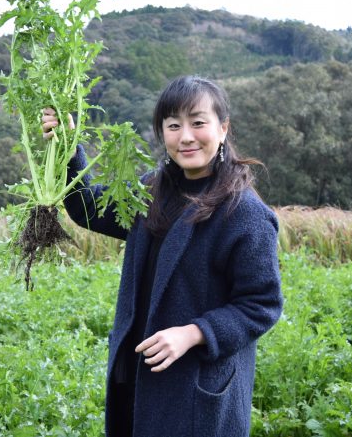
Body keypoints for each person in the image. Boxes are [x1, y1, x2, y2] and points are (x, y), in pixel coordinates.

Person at [41, 75, 283, 437]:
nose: (185, 136)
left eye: (198, 123)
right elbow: (86, 207)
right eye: (173, 125)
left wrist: (194, 333)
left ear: (223, 128)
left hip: (193, 386)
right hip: (137, 376)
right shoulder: (150, 191)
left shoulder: (244, 213)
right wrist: (68, 147)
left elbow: (261, 304)